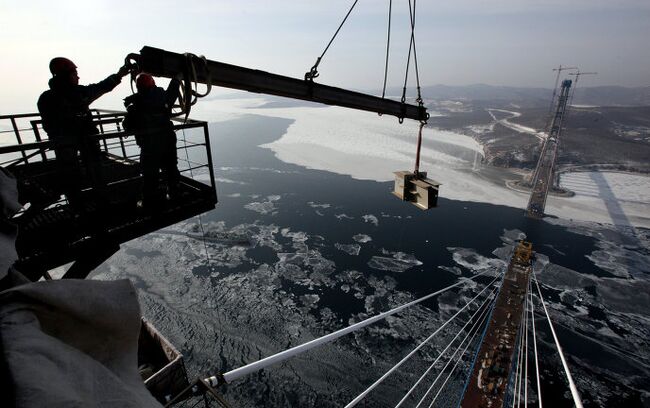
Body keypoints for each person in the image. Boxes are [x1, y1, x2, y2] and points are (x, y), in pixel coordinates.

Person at [37, 57, 129, 207]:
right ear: (65, 75)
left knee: (70, 174)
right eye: (74, 73)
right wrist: (119, 75)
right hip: (85, 140)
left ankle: (76, 205)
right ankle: (101, 202)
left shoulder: (45, 98)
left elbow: (48, 124)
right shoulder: (78, 94)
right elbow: (102, 87)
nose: (78, 76)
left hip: (63, 143)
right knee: (94, 170)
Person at [123, 73, 180, 209]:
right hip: (167, 142)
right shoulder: (163, 97)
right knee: (171, 169)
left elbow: (128, 126)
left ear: (138, 87)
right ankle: (174, 194)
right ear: (153, 84)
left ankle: (149, 201)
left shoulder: (135, 103)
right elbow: (173, 92)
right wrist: (177, 78)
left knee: (150, 175)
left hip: (150, 146)